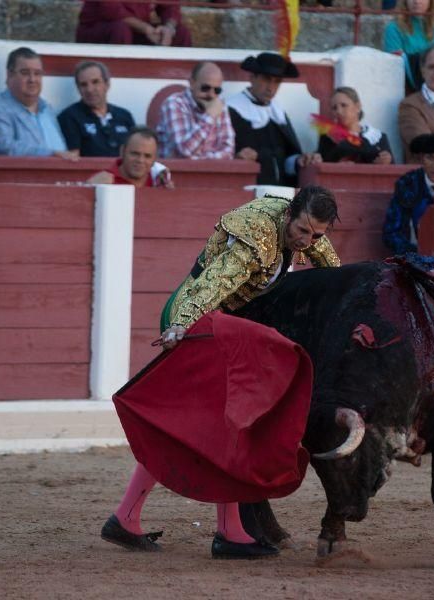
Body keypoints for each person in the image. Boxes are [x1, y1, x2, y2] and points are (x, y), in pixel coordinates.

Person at [102, 186, 340, 559]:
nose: (307, 241)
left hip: (229, 326)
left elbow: (333, 272)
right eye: (304, 231)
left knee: (222, 424)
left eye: (316, 235)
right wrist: (181, 325)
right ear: (290, 215)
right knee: (214, 425)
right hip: (198, 318)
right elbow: (213, 283)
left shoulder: (306, 232)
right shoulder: (256, 236)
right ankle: (222, 532)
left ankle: (134, 518)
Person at [228, 52, 318, 187]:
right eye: (266, 79)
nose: (271, 88)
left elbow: (286, 158)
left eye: (277, 82)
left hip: (281, 193)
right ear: (252, 77)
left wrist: (299, 160)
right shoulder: (231, 109)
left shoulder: (278, 113)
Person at [0, 47, 76, 159]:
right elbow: (3, 147)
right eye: (25, 73)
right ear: (9, 75)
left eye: (37, 73)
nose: (32, 79)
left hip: (62, 173)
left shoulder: (47, 109)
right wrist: (50, 154)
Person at [156, 61, 235, 159]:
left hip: (210, 173)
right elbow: (184, 150)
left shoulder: (219, 105)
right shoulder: (174, 103)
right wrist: (210, 116)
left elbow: (229, 152)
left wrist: (197, 158)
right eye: (205, 88)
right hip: (176, 172)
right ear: (192, 83)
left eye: (217, 90)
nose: (211, 94)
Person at [58, 61, 134, 158]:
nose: (89, 89)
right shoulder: (69, 118)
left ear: (107, 84)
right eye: (83, 85)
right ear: (78, 88)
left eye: (95, 82)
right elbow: (73, 161)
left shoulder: (124, 116)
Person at [382, 0, 434, 90]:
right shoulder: (393, 29)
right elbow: (395, 64)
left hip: (433, 87)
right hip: (402, 86)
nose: (416, 1)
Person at [316, 86, 392, 164]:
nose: (338, 111)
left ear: (358, 107)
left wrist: (386, 161)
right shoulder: (328, 137)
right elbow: (323, 163)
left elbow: (393, 170)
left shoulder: (377, 137)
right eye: (334, 108)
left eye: (344, 105)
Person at [75, 0, 192, 47]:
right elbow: (111, 10)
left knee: (181, 33)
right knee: (120, 29)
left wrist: (168, 28)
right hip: (101, 29)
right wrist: (146, 29)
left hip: (138, 31)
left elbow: (171, 7)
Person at [87, 127, 173, 188]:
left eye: (147, 156)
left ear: (154, 159)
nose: (140, 160)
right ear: (122, 152)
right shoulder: (101, 182)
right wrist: (90, 187)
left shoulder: (160, 182)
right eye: (135, 154)